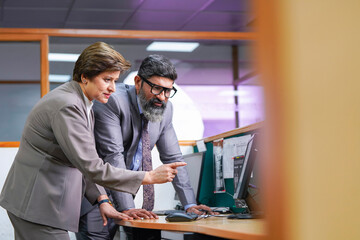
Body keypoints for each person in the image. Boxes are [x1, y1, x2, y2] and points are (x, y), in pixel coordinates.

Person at [0, 43, 185, 240]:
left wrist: (102, 200)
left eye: (115, 80)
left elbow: (81, 162)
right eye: (107, 80)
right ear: (84, 76)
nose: (113, 88)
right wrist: (147, 177)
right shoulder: (68, 106)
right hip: (37, 205)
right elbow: (92, 166)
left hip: (41, 205)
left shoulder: (83, 103)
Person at [76, 54, 215, 240]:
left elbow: (174, 159)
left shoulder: (166, 109)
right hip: (96, 195)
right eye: (157, 88)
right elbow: (113, 155)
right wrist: (128, 208)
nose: (163, 97)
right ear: (138, 82)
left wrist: (189, 204)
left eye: (168, 91)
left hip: (125, 193)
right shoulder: (113, 102)